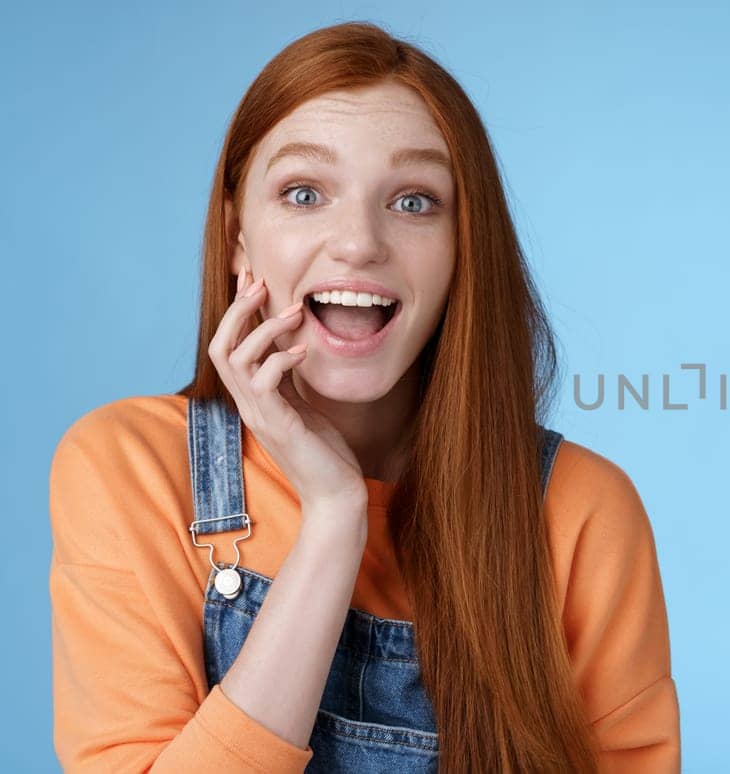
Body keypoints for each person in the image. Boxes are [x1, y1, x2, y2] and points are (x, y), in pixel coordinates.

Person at [48, 21, 679, 773]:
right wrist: (334, 516)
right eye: (304, 192)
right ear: (238, 237)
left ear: (463, 248)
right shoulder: (130, 470)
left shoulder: (583, 511)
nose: (358, 242)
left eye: (413, 201)